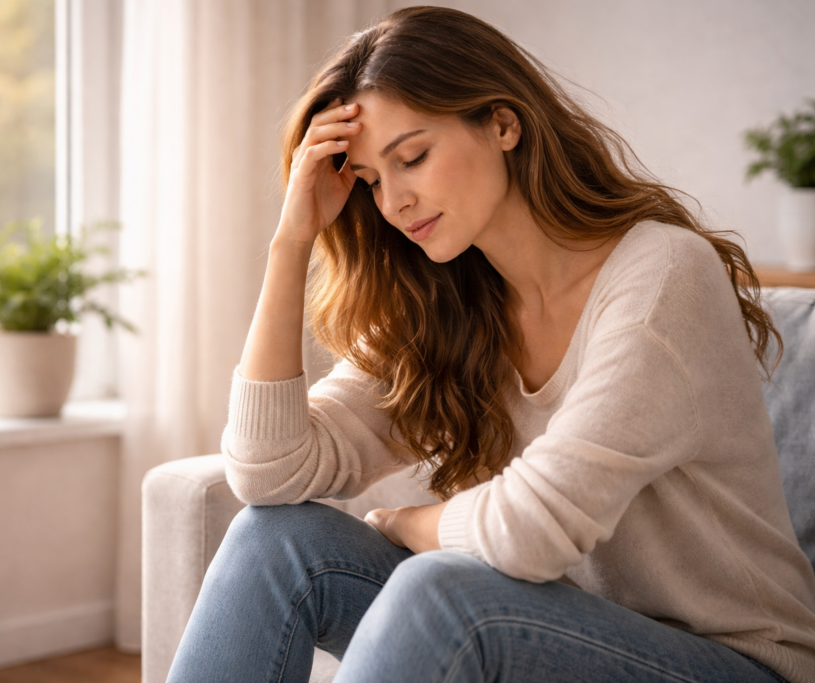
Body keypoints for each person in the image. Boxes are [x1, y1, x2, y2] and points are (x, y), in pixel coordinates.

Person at [166, 6, 815, 683]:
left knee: (440, 590)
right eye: (371, 180)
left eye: (412, 157)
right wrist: (290, 242)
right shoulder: (455, 300)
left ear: (503, 124)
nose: (394, 203)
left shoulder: (664, 276)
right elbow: (267, 473)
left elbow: (531, 527)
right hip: (549, 627)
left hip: (735, 662)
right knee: (276, 541)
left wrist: (414, 526)